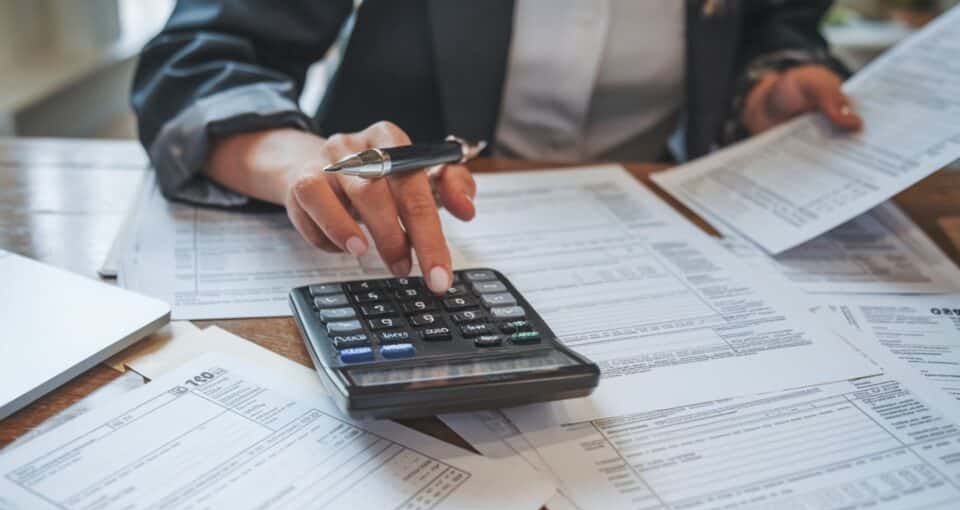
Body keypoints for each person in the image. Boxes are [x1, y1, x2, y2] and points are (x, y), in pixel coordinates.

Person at [132, 0, 862, 294]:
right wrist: (298, 159)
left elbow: (775, 24)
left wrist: (767, 86)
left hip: (663, 248)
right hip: (390, 252)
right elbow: (200, 55)